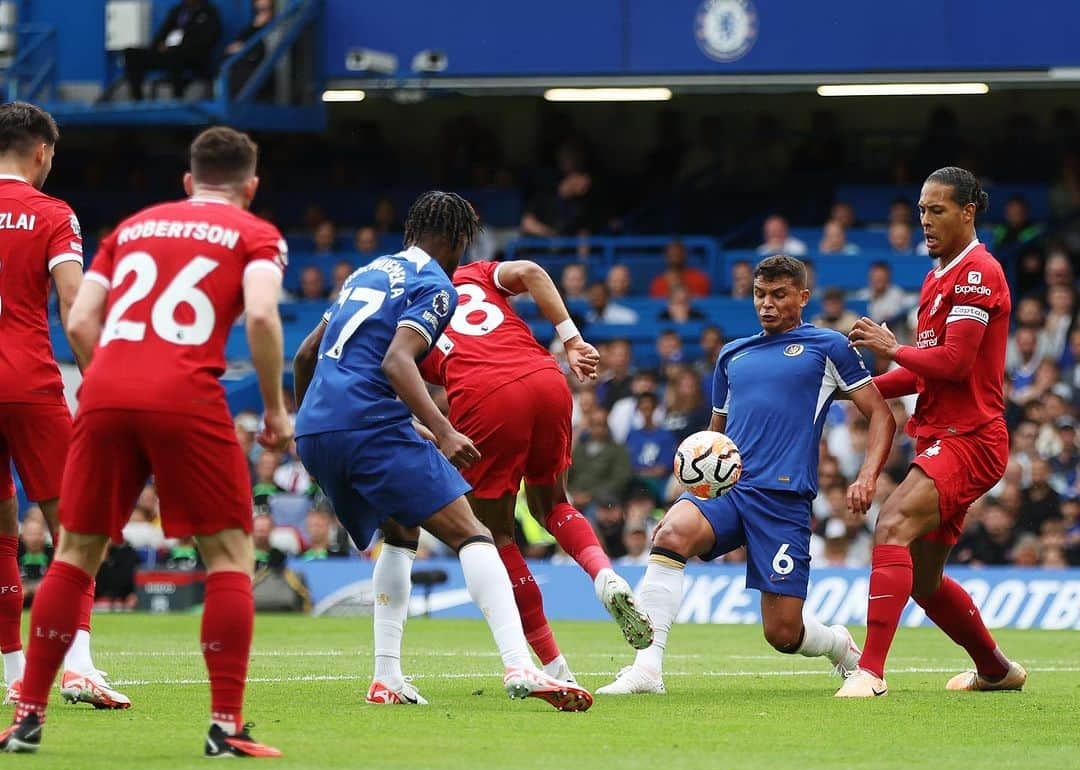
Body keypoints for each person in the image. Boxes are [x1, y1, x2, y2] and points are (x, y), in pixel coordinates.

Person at [0, 127, 290, 756]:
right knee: (229, 556)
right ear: (251, 186)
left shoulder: (130, 228)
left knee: (74, 552)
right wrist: (274, 408)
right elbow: (264, 316)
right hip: (187, 391)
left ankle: (26, 718)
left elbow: (80, 319)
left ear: (187, 182)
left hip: (104, 389)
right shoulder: (257, 233)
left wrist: (112, 381)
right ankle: (225, 727)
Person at [291, 191, 593, 711]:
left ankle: (387, 677)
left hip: (318, 429)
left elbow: (306, 354)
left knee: (401, 532)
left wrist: (311, 427)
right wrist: (443, 428)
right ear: (457, 239)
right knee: (474, 533)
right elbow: (397, 362)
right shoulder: (434, 283)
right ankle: (520, 666)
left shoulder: (363, 274)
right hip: (369, 426)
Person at [597, 255, 895, 696]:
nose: (767, 304)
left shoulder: (827, 347)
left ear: (803, 297)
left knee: (782, 634)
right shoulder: (732, 354)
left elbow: (882, 416)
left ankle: (838, 644)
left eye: (779, 295)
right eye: (760, 294)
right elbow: (712, 441)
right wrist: (685, 496)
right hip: (730, 491)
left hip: (783, 500)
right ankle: (647, 669)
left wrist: (867, 477)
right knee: (672, 533)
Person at [412, 256, 651, 682]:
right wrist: (572, 340)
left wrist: (435, 429)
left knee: (494, 534)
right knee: (553, 502)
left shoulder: (410, 305)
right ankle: (604, 574)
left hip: (486, 398)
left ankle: (557, 667)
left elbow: (396, 371)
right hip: (546, 379)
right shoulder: (474, 274)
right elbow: (532, 272)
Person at [842, 166, 1027, 697]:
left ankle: (870, 672)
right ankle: (996, 670)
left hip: (970, 437)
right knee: (924, 580)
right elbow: (923, 370)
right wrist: (858, 387)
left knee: (892, 521)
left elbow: (953, 363)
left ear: (968, 212)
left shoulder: (978, 273)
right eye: (922, 210)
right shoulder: (938, 276)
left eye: (937, 210)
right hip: (942, 436)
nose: (925, 220)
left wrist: (889, 345)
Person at [0, 102, 124, 710]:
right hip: (28, 383)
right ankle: (77, 665)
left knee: (0, 534)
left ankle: (14, 673)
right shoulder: (51, 213)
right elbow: (76, 308)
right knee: (73, 526)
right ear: (42, 151)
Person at [124, 0, 222, 101]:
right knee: (131, 53)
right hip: (169, 52)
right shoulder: (177, 11)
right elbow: (163, 33)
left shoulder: (209, 12)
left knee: (175, 53)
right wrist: (158, 45)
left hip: (192, 56)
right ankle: (137, 98)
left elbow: (207, 39)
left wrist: (179, 46)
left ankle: (178, 97)